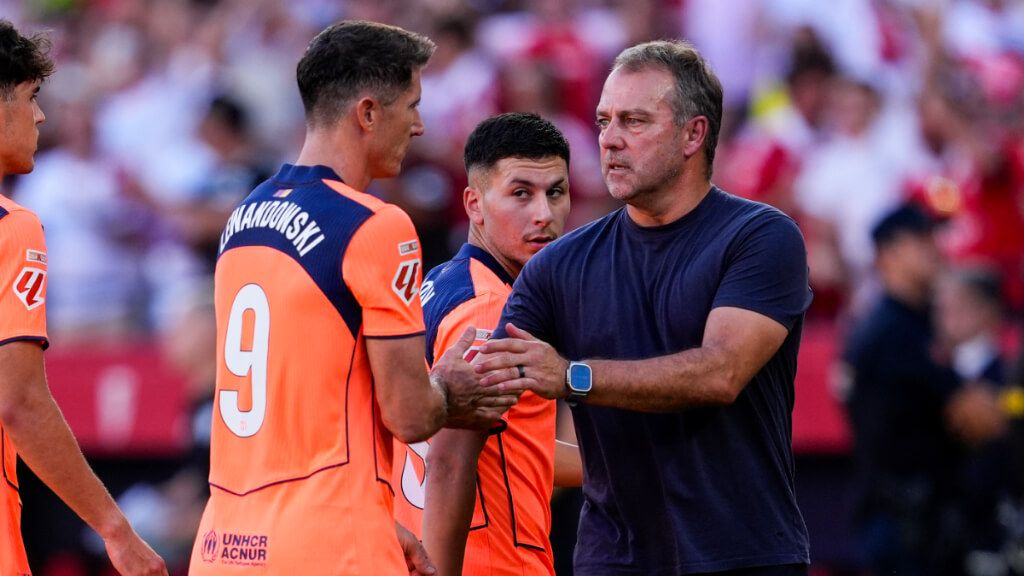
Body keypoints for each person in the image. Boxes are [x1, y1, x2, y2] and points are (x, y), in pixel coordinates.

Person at [476, 40, 813, 575]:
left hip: (744, 557)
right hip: (612, 561)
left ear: (693, 133)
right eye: (604, 120)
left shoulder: (761, 237)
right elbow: (481, 400)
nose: (609, 140)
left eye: (634, 121)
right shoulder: (558, 266)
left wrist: (571, 377)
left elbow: (720, 372)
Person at [188, 20, 513, 575]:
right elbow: (410, 414)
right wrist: (451, 390)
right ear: (367, 113)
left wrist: (382, 520)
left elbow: (293, 412)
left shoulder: (242, 218)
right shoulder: (377, 225)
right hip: (330, 546)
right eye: (411, 105)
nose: (418, 125)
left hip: (224, 544)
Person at [0, 19, 167, 576]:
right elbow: (18, 402)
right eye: (30, 98)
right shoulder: (12, 226)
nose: (40, 115)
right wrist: (115, 529)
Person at [392, 112, 582, 576]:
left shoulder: (439, 285)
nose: (543, 213)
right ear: (474, 204)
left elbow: (518, 449)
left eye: (555, 192)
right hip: (491, 559)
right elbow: (451, 458)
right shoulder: (491, 310)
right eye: (521, 193)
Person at [843, 204, 1004, 575]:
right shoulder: (894, 331)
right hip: (906, 525)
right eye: (921, 239)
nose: (936, 247)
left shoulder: (918, 322)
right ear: (889, 254)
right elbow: (979, 419)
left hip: (927, 520)